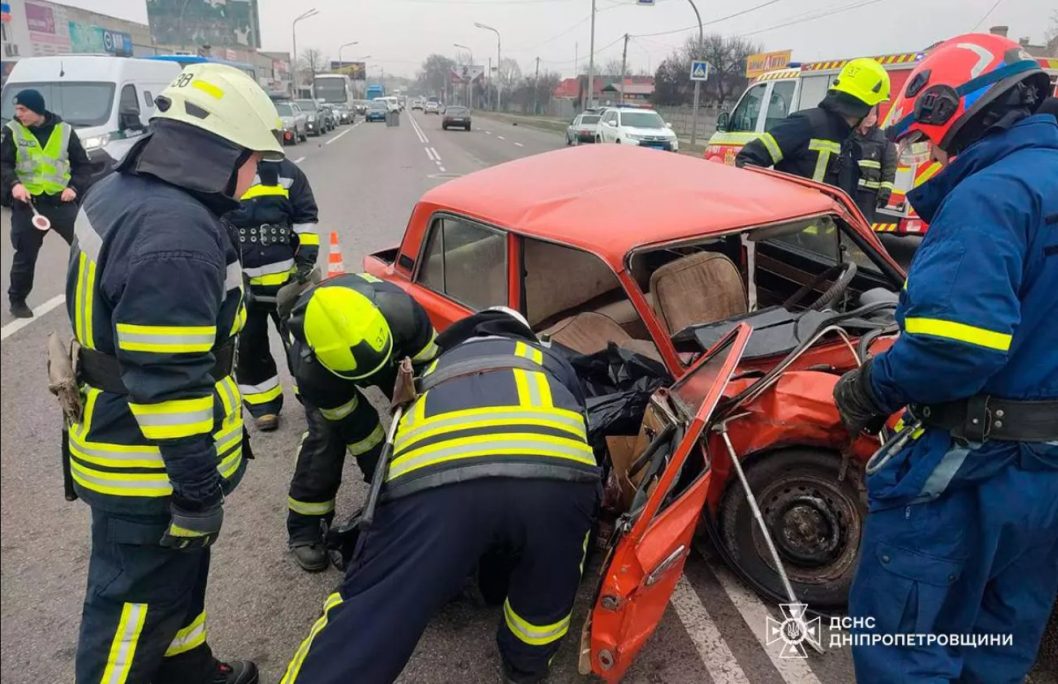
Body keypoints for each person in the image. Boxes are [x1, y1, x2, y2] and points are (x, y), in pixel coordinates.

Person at [832, 33, 1058, 683]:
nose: (930, 153)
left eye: (928, 137)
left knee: (904, 642)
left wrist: (872, 386)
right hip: (1045, 474)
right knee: (997, 642)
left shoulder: (992, 195)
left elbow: (954, 348)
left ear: (951, 111)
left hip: (974, 463)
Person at [65, 63, 285, 684]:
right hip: (150, 469)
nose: (257, 176)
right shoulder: (176, 236)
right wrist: (196, 490)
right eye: (255, 160)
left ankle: (187, 668)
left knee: (176, 581)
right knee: (131, 609)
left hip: (120, 437)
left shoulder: (121, 189)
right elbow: (168, 384)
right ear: (223, 152)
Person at [280, 307, 600, 684]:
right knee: (550, 574)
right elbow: (584, 421)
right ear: (524, 334)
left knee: (376, 609)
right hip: (555, 477)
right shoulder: (549, 359)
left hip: (436, 486)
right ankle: (525, 669)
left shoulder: (434, 366)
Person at [281, 272, 438, 571]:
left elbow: (433, 380)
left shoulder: (406, 314)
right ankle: (305, 526)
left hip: (391, 352)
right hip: (329, 373)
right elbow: (362, 434)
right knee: (326, 439)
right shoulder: (312, 369)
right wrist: (384, 482)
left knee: (420, 410)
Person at [224, 158, 319, 431]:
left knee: (300, 343)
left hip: (287, 282)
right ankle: (263, 405)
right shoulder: (222, 171)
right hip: (243, 283)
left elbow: (305, 217)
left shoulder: (287, 172)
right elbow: (213, 223)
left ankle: (311, 396)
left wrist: (305, 260)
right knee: (249, 346)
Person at [735, 57, 891, 198]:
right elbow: (747, 161)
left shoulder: (850, 144)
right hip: (791, 221)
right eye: (876, 105)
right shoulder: (805, 124)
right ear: (866, 106)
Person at [1, 88, 91, 318]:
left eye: (23, 109)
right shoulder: (12, 131)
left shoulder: (64, 131)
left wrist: (73, 188)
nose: (19, 114)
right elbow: (4, 163)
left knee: (86, 247)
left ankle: (96, 292)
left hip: (61, 203)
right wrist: (14, 184)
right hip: (28, 204)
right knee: (25, 256)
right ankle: (17, 300)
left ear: (37, 110)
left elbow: (83, 166)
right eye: (17, 109)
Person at [848, 105, 897, 223]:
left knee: (863, 225)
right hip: (848, 190)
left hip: (869, 194)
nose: (871, 117)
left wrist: (885, 192)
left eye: (874, 114)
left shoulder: (884, 139)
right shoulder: (849, 135)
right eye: (868, 113)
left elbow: (889, 167)